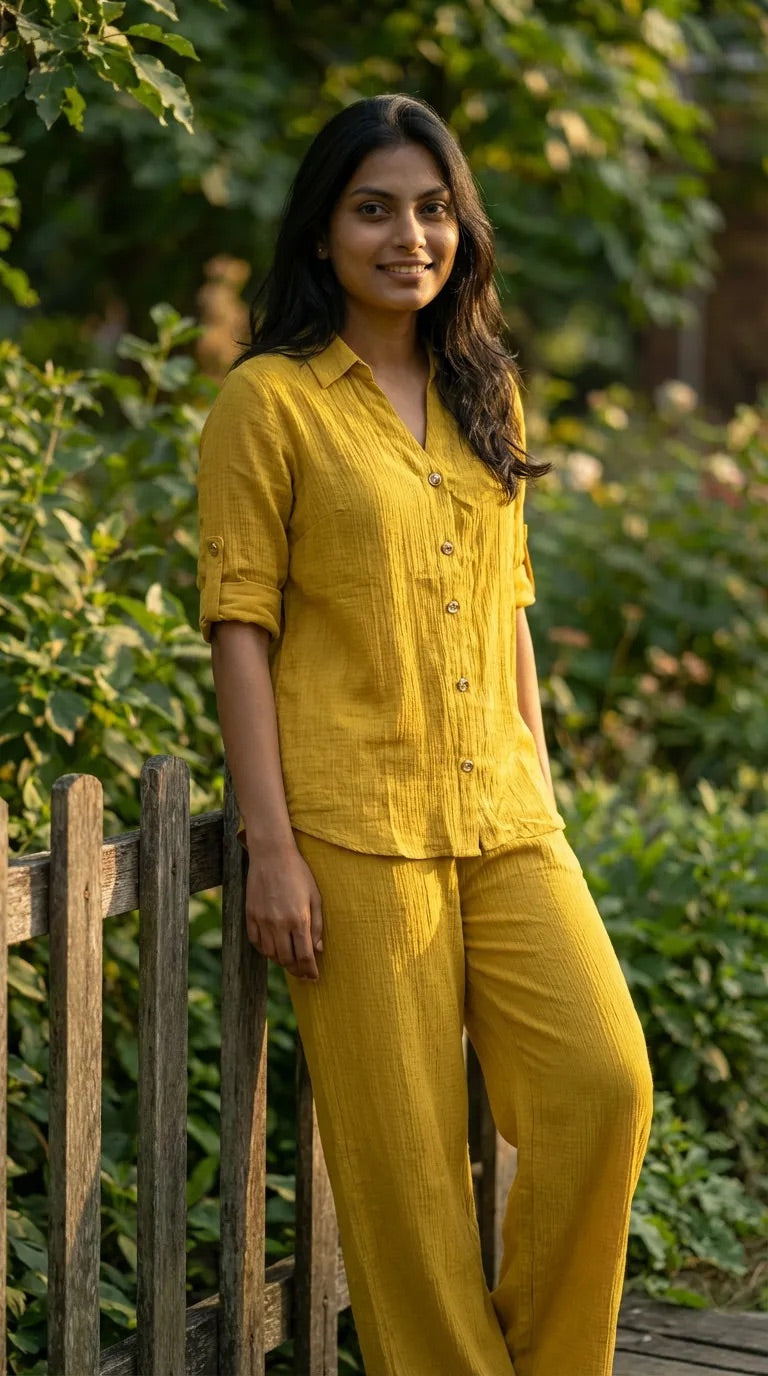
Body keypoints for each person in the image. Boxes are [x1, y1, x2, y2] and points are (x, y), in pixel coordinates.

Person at [196, 92, 654, 1376]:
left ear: (464, 227)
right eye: (376, 208)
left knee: (602, 1084)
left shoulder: (482, 383)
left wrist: (544, 804)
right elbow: (241, 626)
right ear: (325, 230)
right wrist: (272, 847)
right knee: (406, 1185)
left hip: (504, 815)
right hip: (355, 828)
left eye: (434, 207)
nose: (411, 234)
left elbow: (509, 609)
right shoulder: (269, 404)